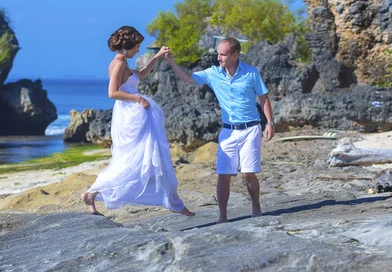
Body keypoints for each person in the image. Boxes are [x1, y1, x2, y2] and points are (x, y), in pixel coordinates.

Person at [81, 26, 194, 217]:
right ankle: (92, 192)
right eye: (137, 47)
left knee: (152, 156)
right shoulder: (117, 64)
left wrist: (157, 57)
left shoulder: (124, 64)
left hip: (136, 115)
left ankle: (174, 201)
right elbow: (112, 92)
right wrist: (138, 99)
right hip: (129, 117)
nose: (138, 50)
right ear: (128, 47)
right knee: (131, 160)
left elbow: (141, 75)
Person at [164, 37, 274, 223]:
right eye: (218, 53)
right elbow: (188, 78)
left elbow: (264, 99)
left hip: (251, 129)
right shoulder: (212, 73)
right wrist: (171, 61)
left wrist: (270, 123)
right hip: (228, 132)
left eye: (222, 54)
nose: (218, 58)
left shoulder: (251, 73)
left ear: (235, 55)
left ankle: (256, 204)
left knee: (248, 173)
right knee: (223, 175)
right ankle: (222, 217)